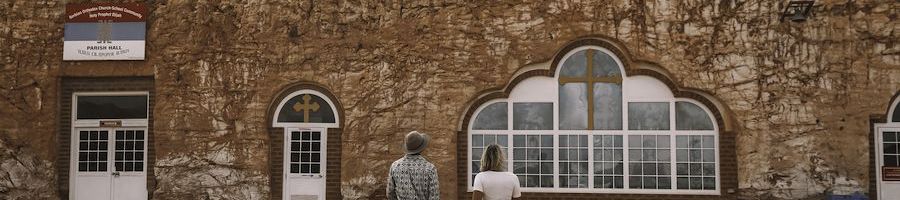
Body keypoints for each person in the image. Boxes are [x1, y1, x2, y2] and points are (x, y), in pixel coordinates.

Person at [387, 131, 440, 200]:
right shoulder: (430, 168)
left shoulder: (395, 166)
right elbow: (434, 197)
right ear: (421, 148)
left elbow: (390, 193)